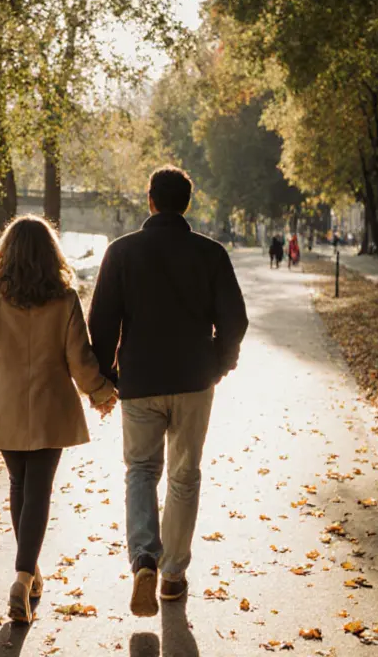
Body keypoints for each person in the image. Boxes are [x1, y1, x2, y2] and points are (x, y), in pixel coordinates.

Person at [88, 166, 249, 617]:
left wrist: (103, 379)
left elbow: (101, 322)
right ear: (187, 204)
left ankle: (144, 557)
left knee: (140, 470)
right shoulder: (211, 254)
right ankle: (174, 574)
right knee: (185, 475)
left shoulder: (121, 253)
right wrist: (219, 363)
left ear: (150, 200)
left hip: (139, 381)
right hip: (195, 380)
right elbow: (234, 320)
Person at [0, 215, 118, 624]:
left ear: (6, 252)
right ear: (52, 254)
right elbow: (79, 359)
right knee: (39, 490)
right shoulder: (64, 298)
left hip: (3, 403)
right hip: (51, 405)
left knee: (20, 485)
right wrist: (102, 393)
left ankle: (26, 574)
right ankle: (23, 576)